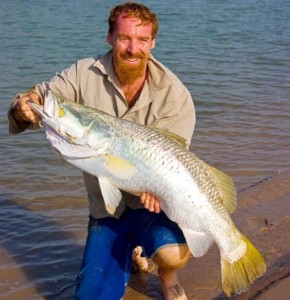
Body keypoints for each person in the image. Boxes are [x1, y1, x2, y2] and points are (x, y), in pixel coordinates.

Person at [8, 2, 195, 300]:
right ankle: (132, 253)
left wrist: (158, 190)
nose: (133, 49)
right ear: (110, 38)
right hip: (106, 210)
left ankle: (166, 273)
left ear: (153, 43)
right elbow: (41, 98)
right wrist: (23, 107)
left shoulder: (175, 95)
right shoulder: (83, 73)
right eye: (124, 38)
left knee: (172, 253)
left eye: (142, 40)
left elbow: (175, 161)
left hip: (151, 207)